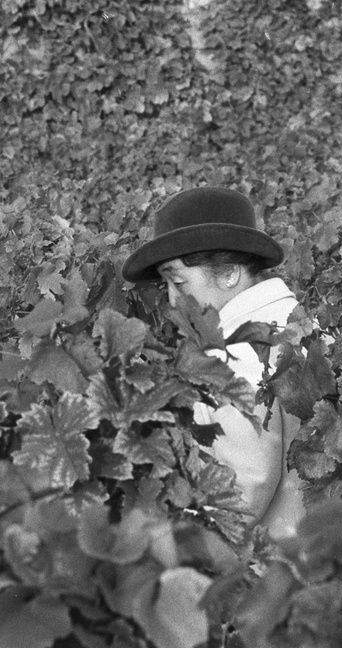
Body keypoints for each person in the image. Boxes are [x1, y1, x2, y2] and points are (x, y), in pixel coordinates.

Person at [122, 186, 306, 541]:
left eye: (178, 281)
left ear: (229, 274)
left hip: (272, 569)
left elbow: (241, 492)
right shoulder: (302, 321)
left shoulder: (237, 354)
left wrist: (162, 543)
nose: (173, 300)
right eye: (166, 285)